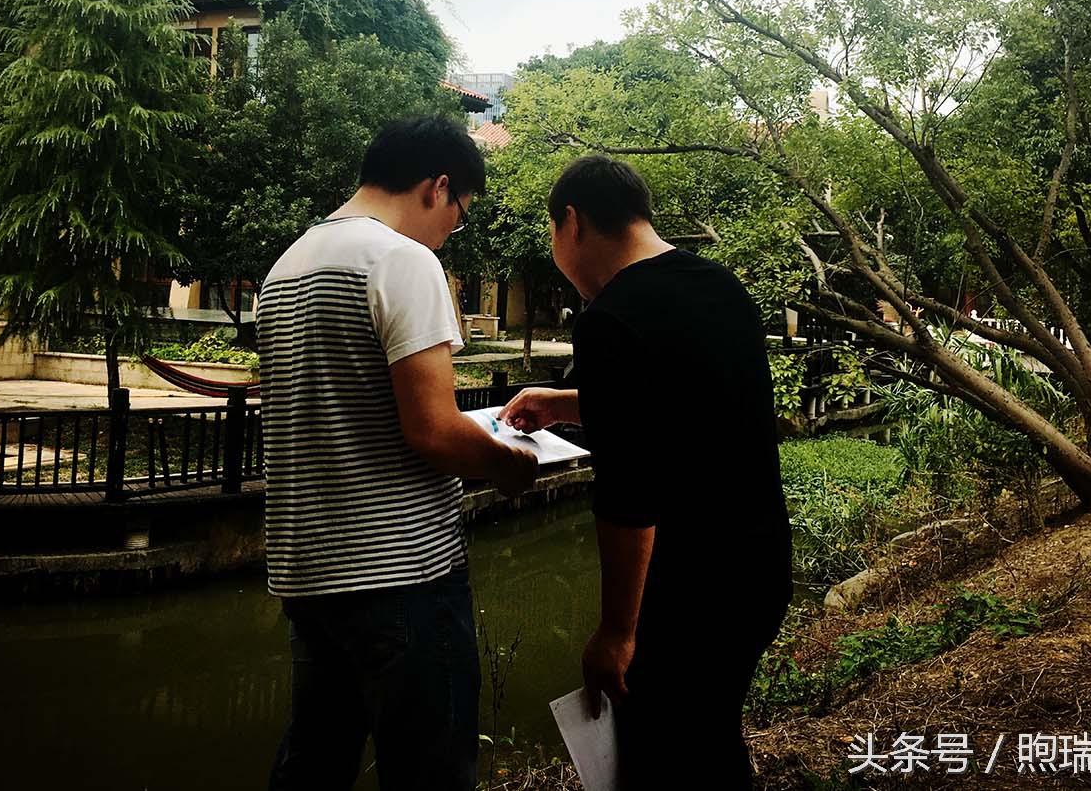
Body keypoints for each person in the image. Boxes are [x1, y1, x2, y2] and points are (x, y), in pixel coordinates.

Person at [259, 115, 538, 791]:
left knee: (315, 764)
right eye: (460, 214)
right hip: (402, 578)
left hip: (309, 576)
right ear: (437, 187)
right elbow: (434, 430)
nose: (452, 232)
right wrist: (507, 462)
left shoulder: (287, 263)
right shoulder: (402, 259)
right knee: (431, 770)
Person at [501, 155, 791, 789]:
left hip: (691, 586)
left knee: (664, 756)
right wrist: (568, 403)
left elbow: (630, 493)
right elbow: (698, 403)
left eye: (552, 233)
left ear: (570, 222)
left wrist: (616, 630)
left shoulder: (611, 317)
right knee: (710, 738)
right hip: (760, 569)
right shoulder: (719, 285)